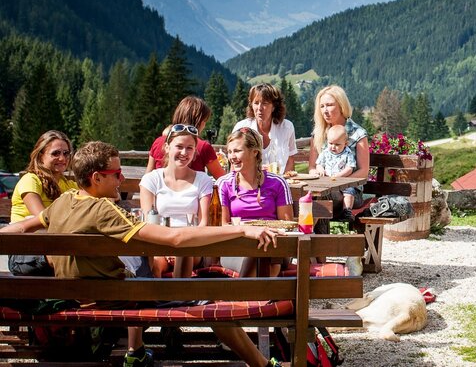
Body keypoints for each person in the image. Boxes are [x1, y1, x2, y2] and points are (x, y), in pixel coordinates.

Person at [0, 141, 281, 367]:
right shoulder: (104, 210)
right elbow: (175, 238)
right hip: (116, 297)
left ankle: (136, 351)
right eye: (116, 173)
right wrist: (240, 230)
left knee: (145, 270)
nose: (121, 179)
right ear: (96, 178)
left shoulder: (64, 201)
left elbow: (23, 226)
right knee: (210, 303)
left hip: (81, 296)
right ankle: (262, 365)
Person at [140, 123, 214, 278]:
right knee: (154, 265)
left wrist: (181, 242)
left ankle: (181, 291)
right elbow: (148, 222)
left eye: (189, 148)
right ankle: (157, 292)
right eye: (179, 147)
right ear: (167, 148)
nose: (184, 153)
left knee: (184, 253)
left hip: (191, 244)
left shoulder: (203, 180)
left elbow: (203, 223)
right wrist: (168, 244)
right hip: (160, 243)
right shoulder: (151, 179)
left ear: (195, 152)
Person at [217, 127, 293, 277]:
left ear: (255, 152)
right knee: (255, 254)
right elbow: (222, 225)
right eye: (229, 152)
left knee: (267, 253)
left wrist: (265, 234)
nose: (232, 157)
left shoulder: (277, 183)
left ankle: (248, 290)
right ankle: (258, 290)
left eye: (237, 151)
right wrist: (250, 232)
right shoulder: (224, 184)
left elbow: (286, 225)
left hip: (274, 245)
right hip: (236, 246)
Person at [307, 85, 369, 224]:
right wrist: (318, 175)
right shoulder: (318, 133)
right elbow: (312, 167)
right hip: (323, 188)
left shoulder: (358, 133)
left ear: (341, 106)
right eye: (322, 106)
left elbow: (363, 172)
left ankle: (312, 236)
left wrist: (337, 184)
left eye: (329, 105)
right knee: (301, 198)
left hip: (350, 193)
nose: (325, 110)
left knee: (320, 199)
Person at [145, 96, 225, 179]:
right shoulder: (204, 147)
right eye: (205, 121)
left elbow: (147, 177)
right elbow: (223, 179)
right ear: (200, 122)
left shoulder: (158, 142)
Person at [10, 130, 78, 223]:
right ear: (40, 156)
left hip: (56, 231)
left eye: (66, 153)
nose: (62, 158)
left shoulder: (70, 185)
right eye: (55, 153)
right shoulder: (30, 180)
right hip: (30, 232)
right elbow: (42, 218)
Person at [233, 84, 297, 175]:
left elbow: (290, 160)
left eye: (265, 103)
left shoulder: (287, 127)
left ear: (274, 106)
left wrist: (283, 181)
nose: (259, 108)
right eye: (256, 103)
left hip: (279, 181)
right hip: (249, 182)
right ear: (251, 105)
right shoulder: (241, 128)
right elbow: (234, 162)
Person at [314, 124, 358, 220]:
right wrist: (320, 169)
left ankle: (347, 211)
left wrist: (339, 176)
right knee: (318, 191)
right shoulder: (325, 152)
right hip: (327, 181)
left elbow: (350, 168)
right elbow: (319, 164)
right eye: (330, 143)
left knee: (349, 192)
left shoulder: (347, 153)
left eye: (337, 144)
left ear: (345, 144)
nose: (333, 147)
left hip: (342, 182)